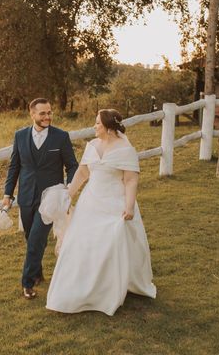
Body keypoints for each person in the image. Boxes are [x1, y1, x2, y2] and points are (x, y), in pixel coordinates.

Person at [46, 108, 156, 315]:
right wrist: (68, 194)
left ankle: (107, 289)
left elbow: (131, 180)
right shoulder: (92, 145)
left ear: (108, 126)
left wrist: (129, 206)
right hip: (91, 201)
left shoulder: (125, 149)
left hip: (115, 201)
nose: (94, 127)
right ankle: (76, 287)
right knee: (80, 242)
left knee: (110, 242)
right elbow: (82, 173)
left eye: (97, 123)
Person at [3, 98, 78, 299]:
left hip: (52, 197)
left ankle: (27, 283)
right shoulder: (19, 136)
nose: (47, 117)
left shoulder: (61, 137)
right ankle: (37, 273)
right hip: (26, 195)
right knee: (31, 237)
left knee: (36, 237)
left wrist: (69, 188)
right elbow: (14, 167)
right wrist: (7, 195)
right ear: (32, 115)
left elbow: (72, 165)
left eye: (49, 113)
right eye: (43, 113)